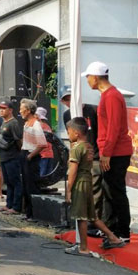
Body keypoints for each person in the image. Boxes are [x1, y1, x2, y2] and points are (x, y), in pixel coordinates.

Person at [83, 61, 133, 243]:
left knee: (116, 191)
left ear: (95, 77)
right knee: (109, 191)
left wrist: (107, 153)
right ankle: (111, 228)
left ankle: (122, 231)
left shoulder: (111, 96)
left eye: (88, 77)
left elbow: (113, 127)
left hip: (115, 152)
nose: (87, 81)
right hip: (112, 151)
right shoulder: (107, 95)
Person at [64, 117, 125, 256]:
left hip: (80, 183)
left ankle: (83, 248)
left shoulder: (77, 148)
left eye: (69, 132)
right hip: (88, 181)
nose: (68, 135)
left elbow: (73, 170)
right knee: (92, 216)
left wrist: (68, 190)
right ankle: (113, 237)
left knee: (81, 216)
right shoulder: (89, 146)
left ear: (76, 133)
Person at [59, 85, 104, 234]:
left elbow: (100, 132)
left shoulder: (93, 110)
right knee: (81, 192)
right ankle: (84, 224)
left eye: (70, 98)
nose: (68, 102)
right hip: (78, 156)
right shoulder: (67, 115)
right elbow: (71, 139)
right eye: (65, 100)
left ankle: (95, 225)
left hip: (95, 155)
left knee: (94, 191)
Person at [18, 99, 47, 222]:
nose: (20, 111)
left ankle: (34, 214)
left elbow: (42, 144)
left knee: (31, 185)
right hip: (25, 153)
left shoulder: (36, 124)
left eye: (22, 109)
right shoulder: (26, 124)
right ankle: (28, 213)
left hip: (31, 156)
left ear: (28, 110)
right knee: (25, 185)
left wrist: (30, 156)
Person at [0, 99, 23, 215]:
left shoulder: (14, 123)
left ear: (10, 110)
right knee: (8, 182)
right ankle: (9, 204)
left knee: (15, 182)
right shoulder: (4, 123)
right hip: (4, 156)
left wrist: (18, 153)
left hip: (12, 157)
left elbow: (19, 140)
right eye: (0, 108)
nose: (1, 111)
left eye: (4, 108)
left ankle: (16, 207)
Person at [35, 107, 55, 177]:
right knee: (47, 175)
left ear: (37, 116)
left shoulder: (38, 126)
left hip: (41, 154)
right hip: (50, 154)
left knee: (41, 175)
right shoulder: (47, 126)